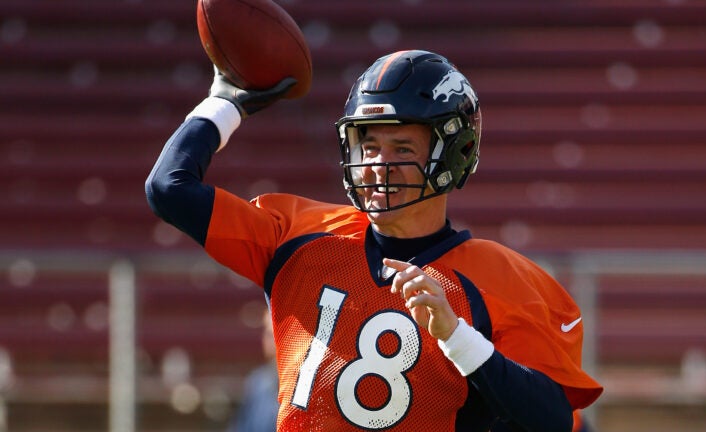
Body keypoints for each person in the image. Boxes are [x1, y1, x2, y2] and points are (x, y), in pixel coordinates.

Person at [146, 49, 603, 431]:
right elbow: (169, 187)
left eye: (402, 148)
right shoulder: (299, 235)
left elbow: (552, 420)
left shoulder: (504, 283)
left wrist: (456, 336)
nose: (376, 166)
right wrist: (225, 101)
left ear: (453, 153)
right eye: (368, 147)